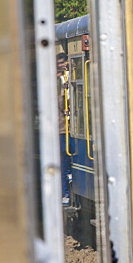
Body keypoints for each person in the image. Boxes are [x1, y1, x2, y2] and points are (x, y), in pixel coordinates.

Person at [57, 53, 72, 205]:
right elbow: (59, 104)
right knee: (63, 162)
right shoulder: (58, 81)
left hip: (71, 128)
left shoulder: (70, 76)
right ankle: (65, 193)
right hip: (62, 129)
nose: (63, 65)